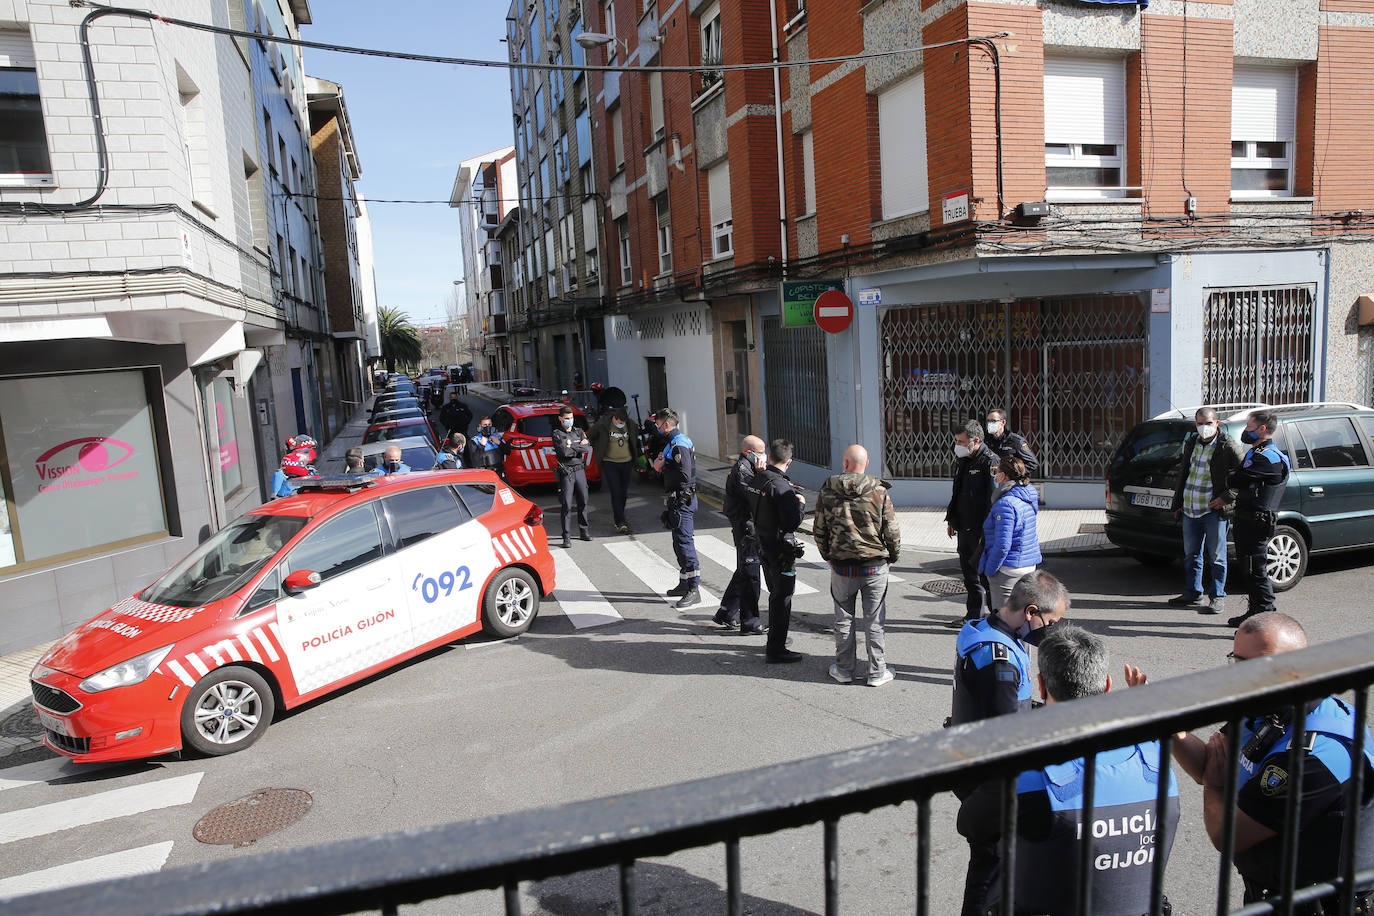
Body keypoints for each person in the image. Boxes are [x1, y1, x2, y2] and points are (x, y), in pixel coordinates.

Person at [957, 625, 1180, 916]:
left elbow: (971, 824)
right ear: (1108, 684)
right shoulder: (1157, 763)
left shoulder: (1026, 773)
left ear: (1041, 685)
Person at [1169, 613, 1374, 913]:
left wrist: (1215, 787)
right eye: (1238, 662)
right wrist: (1170, 729)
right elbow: (1211, 765)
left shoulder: (1316, 755)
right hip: (1273, 895)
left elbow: (1229, 834)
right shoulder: (1265, 709)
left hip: (1321, 906)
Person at [950, 570, 1069, 916]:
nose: (1054, 628)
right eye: (1052, 620)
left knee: (999, 867)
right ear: (1031, 613)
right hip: (989, 780)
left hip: (973, 763)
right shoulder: (997, 659)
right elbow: (1005, 731)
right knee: (990, 869)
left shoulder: (986, 629)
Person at [813, 444, 901, 687]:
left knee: (843, 619)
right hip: (874, 566)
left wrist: (827, 555)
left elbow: (819, 529)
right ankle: (876, 672)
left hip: (842, 567)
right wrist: (893, 556)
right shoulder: (879, 491)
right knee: (874, 620)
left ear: (845, 463)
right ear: (867, 463)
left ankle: (843, 669)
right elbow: (891, 530)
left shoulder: (828, 490)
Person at [1168, 407, 1244, 615]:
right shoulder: (1191, 443)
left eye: (1208, 423)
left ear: (1217, 423)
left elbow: (1244, 477)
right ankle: (1193, 591)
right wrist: (1178, 503)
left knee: (1217, 556)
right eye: (1200, 423)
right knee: (1191, 554)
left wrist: (1226, 498)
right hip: (1190, 508)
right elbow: (1185, 474)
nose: (1204, 428)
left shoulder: (1227, 446)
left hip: (1213, 511)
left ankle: (1217, 596)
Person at [1227, 408, 1291, 628]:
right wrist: (1236, 477)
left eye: (1249, 426)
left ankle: (1265, 613)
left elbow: (1238, 479)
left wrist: (1235, 477)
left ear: (1262, 429)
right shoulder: (1257, 453)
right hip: (1246, 518)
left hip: (1257, 521)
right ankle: (1254, 611)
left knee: (1256, 569)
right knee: (1248, 568)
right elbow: (1237, 476)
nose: (1245, 431)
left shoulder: (1269, 458)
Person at [746, 438, 807, 663]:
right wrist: (799, 502)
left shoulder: (757, 478)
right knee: (782, 598)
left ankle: (776, 639)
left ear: (770, 457)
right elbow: (791, 523)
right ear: (789, 462)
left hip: (763, 544)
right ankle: (776, 648)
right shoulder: (781, 487)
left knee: (776, 594)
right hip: (780, 550)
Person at [945, 419, 999, 629]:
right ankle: (973, 615)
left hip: (981, 530)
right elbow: (958, 493)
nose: (957, 445)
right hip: (964, 527)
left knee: (985, 577)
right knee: (970, 576)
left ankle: (995, 621)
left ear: (975, 440)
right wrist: (952, 519)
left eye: (961, 441)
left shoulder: (990, 461)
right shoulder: (965, 460)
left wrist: (988, 532)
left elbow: (993, 500)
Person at [715, 436, 767, 634]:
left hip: (747, 526)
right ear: (748, 452)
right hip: (746, 528)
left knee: (744, 570)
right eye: (760, 452)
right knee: (751, 575)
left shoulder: (748, 467)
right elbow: (755, 497)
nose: (764, 455)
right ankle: (750, 622)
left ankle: (726, 612)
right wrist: (763, 474)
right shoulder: (743, 470)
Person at [652, 408, 701, 609]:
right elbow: (658, 465)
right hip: (678, 501)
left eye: (657, 424)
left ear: (666, 424)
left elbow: (684, 475)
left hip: (682, 500)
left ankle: (694, 589)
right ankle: (684, 583)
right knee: (678, 543)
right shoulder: (674, 442)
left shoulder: (678, 443)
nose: (656, 427)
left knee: (684, 544)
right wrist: (661, 463)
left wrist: (663, 465)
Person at [979, 455, 1042, 611]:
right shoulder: (1027, 495)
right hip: (1028, 564)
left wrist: (990, 571)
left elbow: (1002, 545)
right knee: (1022, 616)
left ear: (1004, 476)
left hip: (1009, 569)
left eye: (997, 471)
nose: (995, 475)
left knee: (1004, 618)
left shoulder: (1006, 504)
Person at [589, 407, 639, 534]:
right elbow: (591, 436)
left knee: (623, 493)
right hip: (610, 463)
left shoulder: (631, 424)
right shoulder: (603, 424)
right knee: (616, 491)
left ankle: (620, 515)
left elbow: (634, 441)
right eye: (619, 422)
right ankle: (620, 521)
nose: (621, 424)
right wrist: (599, 449)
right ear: (614, 419)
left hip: (626, 463)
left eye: (624, 422)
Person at [551, 405, 592, 548]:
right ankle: (566, 536)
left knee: (583, 501)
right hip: (567, 472)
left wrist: (571, 447)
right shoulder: (557, 434)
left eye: (571, 418)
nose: (570, 421)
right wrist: (577, 447)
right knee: (567, 505)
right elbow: (564, 453)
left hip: (580, 470)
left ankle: (584, 531)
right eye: (567, 419)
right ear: (560, 418)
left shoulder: (579, 431)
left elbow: (587, 448)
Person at [984, 407, 1039, 474]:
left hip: (1009, 481)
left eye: (993, 421)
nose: (990, 424)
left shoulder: (1016, 441)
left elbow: (1032, 464)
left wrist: (1012, 474)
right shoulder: (985, 441)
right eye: (988, 421)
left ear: (1003, 422)